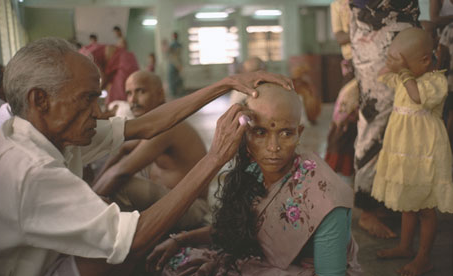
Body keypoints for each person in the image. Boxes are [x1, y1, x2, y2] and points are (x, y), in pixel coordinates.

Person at [0, 37, 292, 276]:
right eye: (86, 99)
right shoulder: (32, 171)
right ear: (39, 100)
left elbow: (146, 126)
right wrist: (214, 158)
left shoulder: (51, 130)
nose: (98, 112)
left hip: (47, 258)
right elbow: (134, 238)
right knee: (123, 244)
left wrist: (224, 84)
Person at [146, 83, 362, 276]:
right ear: (244, 134)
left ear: (299, 132)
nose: (273, 147)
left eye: (286, 133)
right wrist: (180, 239)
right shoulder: (251, 173)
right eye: (260, 132)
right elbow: (236, 231)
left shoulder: (324, 196)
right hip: (260, 262)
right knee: (179, 261)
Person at [372, 28, 453, 276]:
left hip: (424, 152)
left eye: (403, 63)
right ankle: (406, 247)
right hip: (403, 150)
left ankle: (423, 258)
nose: (398, 70)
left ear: (425, 60)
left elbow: (417, 97)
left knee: (425, 208)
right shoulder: (401, 78)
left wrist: (405, 71)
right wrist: (393, 61)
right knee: (409, 202)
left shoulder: (435, 81)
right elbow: (381, 74)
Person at [93, 71, 210, 230]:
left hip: (192, 209)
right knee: (111, 172)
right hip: (170, 203)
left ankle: (97, 225)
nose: (133, 100)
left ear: (160, 93)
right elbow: (122, 150)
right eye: (129, 93)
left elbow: (121, 173)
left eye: (141, 91)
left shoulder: (167, 125)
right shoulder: (150, 126)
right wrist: (92, 188)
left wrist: (87, 204)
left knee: (122, 184)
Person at [349, 0, 419, 239]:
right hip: (375, 27)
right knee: (376, 119)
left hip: (406, 27)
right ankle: (368, 208)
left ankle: (389, 202)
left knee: (409, 120)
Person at [325, 0, 358, 177]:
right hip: (352, 67)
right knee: (343, 115)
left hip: (373, 64)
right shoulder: (337, 5)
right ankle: (343, 166)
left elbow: (345, 36)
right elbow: (340, 37)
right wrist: (365, 30)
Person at [167, 32, 184, 98]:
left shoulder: (176, 45)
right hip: (175, 64)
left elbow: (175, 55)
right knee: (173, 79)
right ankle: (175, 93)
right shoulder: (174, 45)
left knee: (177, 79)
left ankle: (177, 93)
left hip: (176, 64)